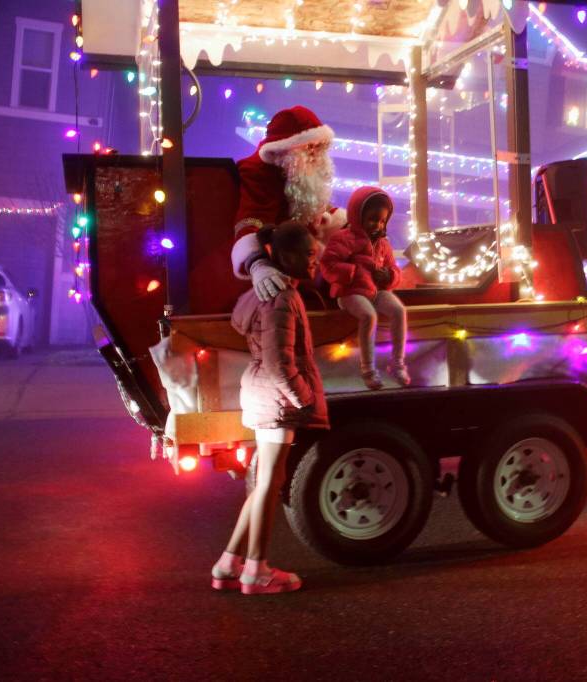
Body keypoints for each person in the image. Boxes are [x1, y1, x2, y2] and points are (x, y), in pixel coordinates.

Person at [212, 221, 329, 595]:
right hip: (276, 402)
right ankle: (255, 571)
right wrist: (304, 399)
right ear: (286, 255)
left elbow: (243, 329)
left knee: (266, 483)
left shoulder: (258, 293)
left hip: (261, 394)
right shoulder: (282, 296)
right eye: (310, 256)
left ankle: (229, 562)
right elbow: (281, 363)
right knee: (267, 485)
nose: (315, 264)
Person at [231, 105, 348, 302]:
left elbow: (318, 209)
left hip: (309, 262)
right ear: (286, 147)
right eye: (310, 146)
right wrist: (257, 263)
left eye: (320, 146)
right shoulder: (260, 172)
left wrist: (351, 228)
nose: (316, 153)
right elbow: (251, 220)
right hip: (284, 265)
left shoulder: (302, 170)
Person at [321, 186, 409, 390]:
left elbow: (394, 269)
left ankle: (397, 363)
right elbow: (327, 265)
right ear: (357, 215)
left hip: (375, 291)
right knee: (369, 316)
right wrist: (351, 272)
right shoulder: (343, 238)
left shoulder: (383, 244)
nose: (377, 225)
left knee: (398, 310)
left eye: (382, 221)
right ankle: (368, 369)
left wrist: (389, 276)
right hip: (349, 292)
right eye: (372, 219)